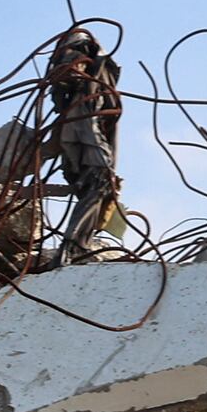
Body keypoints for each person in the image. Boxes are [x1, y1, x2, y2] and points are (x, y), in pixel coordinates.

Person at [44, 25, 123, 258]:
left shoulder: (97, 69)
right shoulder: (87, 63)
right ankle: (72, 248)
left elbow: (61, 92)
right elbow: (65, 81)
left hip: (86, 134)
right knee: (98, 184)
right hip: (84, 133)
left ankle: (73, 247)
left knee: (95, 186)